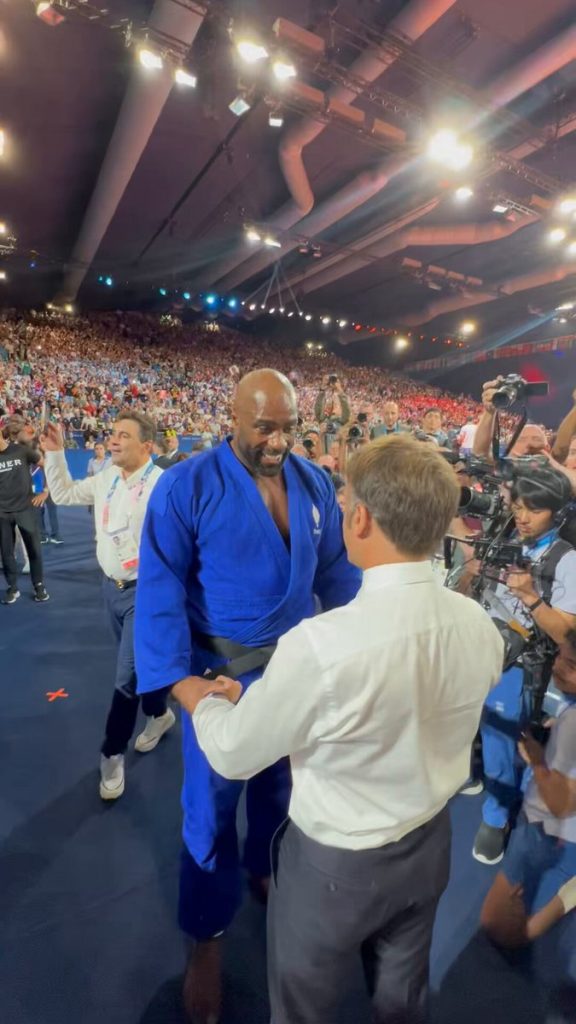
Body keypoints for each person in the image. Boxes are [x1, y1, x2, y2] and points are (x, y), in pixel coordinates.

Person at [176, 435, 504, 1024]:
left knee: (305, 1010)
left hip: (335, 868)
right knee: (401, 1002)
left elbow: (231, 754)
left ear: (358, 519)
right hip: (429, 845)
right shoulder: (480, 626)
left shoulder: (321, 646)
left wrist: (204, 700)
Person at [134, 369, 361, 1024]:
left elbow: (339, 576)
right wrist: (184, 685)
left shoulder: (313, 482)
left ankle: (264, 872)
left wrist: (357, 641)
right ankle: (206, 938)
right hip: (221, 676)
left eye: (288, 425)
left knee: (280, 789)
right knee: (209, 808)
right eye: (265, 426)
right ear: (231, 416)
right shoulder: (188, 485)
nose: (278, 439)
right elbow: (160, 589)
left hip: (292, 671)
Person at [42, 412, 173, 801]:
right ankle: (159, 713)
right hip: (110, 590)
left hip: (145, 594)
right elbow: (63, 494)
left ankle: (112, 751)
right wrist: (55, 455)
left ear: (146, 446)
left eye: (123, 435)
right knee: (136, 667)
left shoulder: (163, 485)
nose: (113, 440)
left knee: (125, 676)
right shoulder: (106, 478)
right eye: (113, 434)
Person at [472, 466, 576, 865]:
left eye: (535, 509)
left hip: (532, 664)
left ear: (556, 512)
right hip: (490, 644)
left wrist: (532, 597)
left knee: (505, 732)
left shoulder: (566, 560)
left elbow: (565, 633)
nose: (523, 516)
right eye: (518, 507)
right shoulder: (508, 537)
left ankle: (497, 817)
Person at [480, 632, 576, 949]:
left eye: (571, 664)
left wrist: (536, 760)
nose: (558, 668)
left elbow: (561, 804)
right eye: (560, 657)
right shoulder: (568, 707)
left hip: (551, 833)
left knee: (499, 928)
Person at [0, 419, 49, 605]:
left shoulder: (21, 451)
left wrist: (46, 491)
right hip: (2, 513)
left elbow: (46, 465)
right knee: (6, 553)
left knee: (34, 550)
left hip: (25, 509)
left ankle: (39, 586)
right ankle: (12, 588)